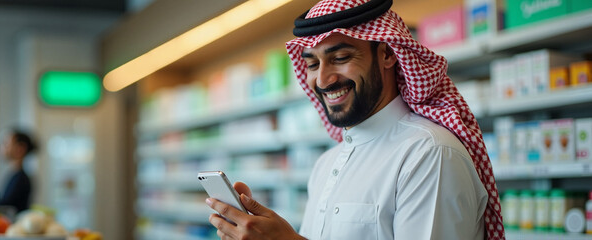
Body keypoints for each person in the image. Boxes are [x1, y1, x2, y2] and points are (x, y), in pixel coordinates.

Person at [204, 0, 505, 239]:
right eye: (312, 63)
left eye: (341, 58)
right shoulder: (326, 165)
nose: (323, 79)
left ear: (387, 54)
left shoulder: (429, 154)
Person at [0, 128, 37, 214]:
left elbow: (5, 205)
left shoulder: (21, 179)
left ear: (20, 149)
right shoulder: (15, 175)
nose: (2, 148)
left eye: (6, 144)